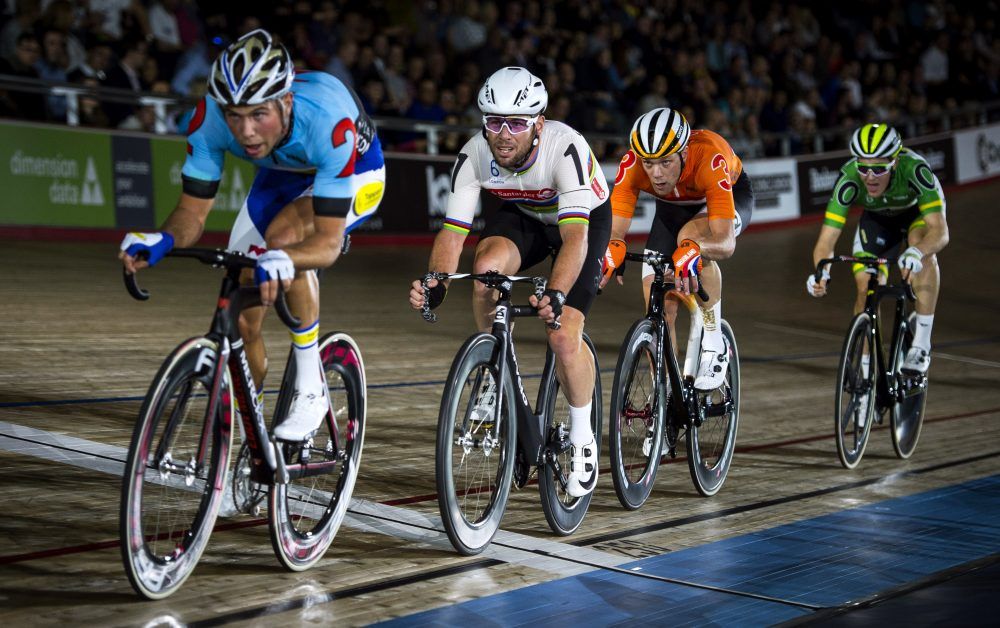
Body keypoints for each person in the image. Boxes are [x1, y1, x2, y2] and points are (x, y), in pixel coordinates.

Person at [119, 29, 385, 442]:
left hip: (354, 173)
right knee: (242, 319)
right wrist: (164, 239)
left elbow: (327, 244)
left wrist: (287, 257)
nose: (245, 131)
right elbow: (192, 211)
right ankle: (251, 437)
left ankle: (310, 385)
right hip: (281, 174)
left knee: (283, 242)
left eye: (258, 114)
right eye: (235, 116)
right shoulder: (209, 118)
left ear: (286, 101)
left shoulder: (327, 120)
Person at [407, 66, 611, 498]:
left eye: (515, 123)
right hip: (524, 215)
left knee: (562, 336)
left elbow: (575, 239)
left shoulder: (565, 148)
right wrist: (438, 283)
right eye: (493, 121)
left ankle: (582, 436)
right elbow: (453, 233)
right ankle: (494, 369)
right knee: (485, 272)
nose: (503, 133)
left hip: (581, 223)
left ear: (538, 123)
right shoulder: (474, 153)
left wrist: (556, 294)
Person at [602, 107, 754, 391]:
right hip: (672, 209)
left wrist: (695, 250)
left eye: (665, 163)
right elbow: (614, 230)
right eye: (648, 164)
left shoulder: (710, 157)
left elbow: (724, 243)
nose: (656, 174)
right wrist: (614, 247)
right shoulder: (632, 163)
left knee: (689, 240)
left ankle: (713, 339)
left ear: (683, 154)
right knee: (657, 307)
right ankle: (664, 399)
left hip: (726, 196)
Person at [807, 123, 948, 374]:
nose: (870, 177)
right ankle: (865, 376)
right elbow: (826, 240)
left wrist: (917, 252)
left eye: (879, 169)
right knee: (866, 289)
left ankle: (921, 345)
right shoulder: (849, 177)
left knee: (921, 245)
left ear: (894, 162)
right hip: (878, 221)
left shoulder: (914, 170)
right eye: (863, 167)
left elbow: (940, 231)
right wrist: (821, 272)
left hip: (916, 216)